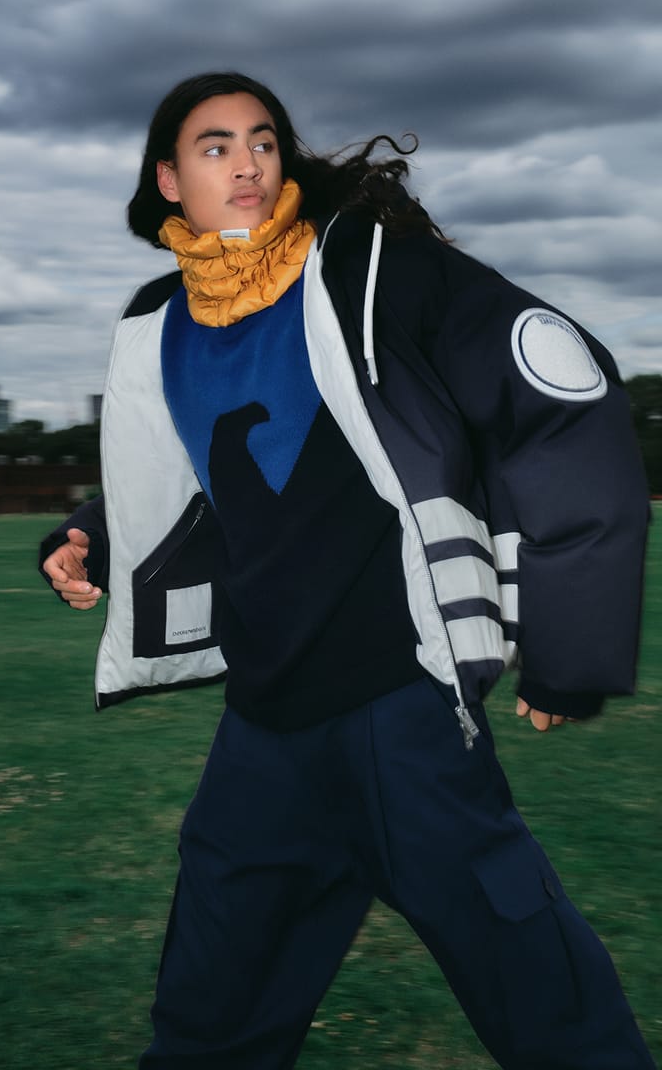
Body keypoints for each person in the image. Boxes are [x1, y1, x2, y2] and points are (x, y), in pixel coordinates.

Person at [40, 71, 655, 1069]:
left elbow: (559, 393)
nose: (245, 162)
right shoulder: (159, 322)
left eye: (261, 139)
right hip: (260, 737)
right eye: (213, 146)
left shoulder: (377, 271)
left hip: (403, 721)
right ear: (168, 180)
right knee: (205, 1030)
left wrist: (569, 639)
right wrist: (90, 535)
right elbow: (209, 477)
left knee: (558, 1027)